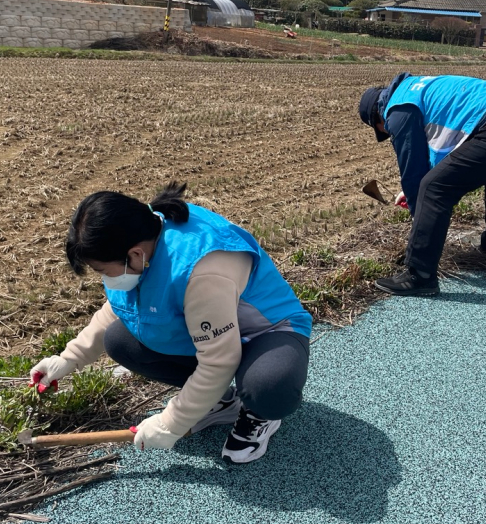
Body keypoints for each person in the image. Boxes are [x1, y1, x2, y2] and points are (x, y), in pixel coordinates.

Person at [27, 183, 312, 464]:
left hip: (268, 332)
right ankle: (222, 402)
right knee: (119, 340)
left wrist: (172, 422)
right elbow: (119, 309)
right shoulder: (140, 238)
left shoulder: (201, 272)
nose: (102, 276)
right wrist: (68, 359)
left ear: (135, 255)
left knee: (269, 385)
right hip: (211, 332)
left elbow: (219, 361)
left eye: (101, 269)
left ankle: (259, 412)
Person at [357, 73, 486, 296]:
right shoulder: (417, 89)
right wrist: (418, 194)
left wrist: (420, 209)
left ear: (378, 118)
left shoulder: (398, 109)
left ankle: (419, 275)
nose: (386, 131)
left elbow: (414, 172)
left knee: (433, 188)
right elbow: (447, 155)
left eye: (382, 130)